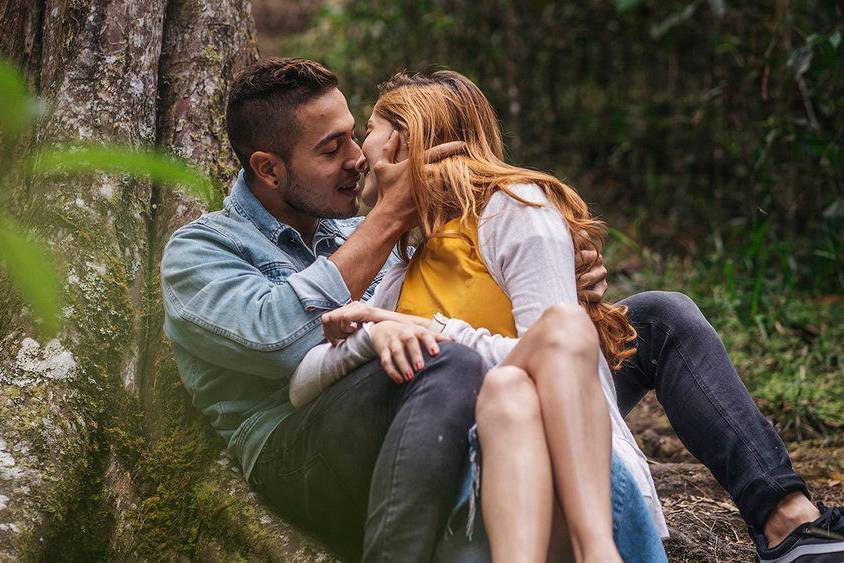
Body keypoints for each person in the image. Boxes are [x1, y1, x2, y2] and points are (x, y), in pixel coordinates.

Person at [160, 57, 844, 562]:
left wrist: (561, 280)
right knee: (452, 364)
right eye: (330, 147)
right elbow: (288, 345)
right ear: (269, 168)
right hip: (309, 439)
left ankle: (786, 517)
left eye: (353, 134)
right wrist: (394, 226)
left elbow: (444, 284)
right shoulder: (203, 251)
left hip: (459, 385)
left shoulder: (355, 225)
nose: (357, 159)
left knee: (658, 317)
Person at [296, 69, 669, 562]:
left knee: (552, 342)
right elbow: (301, 380)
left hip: (570, 472)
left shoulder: (518, 211)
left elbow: (562, 356)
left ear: (403, 141)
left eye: (369, 130)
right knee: (508, 390)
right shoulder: (402, 269)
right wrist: (371, 334)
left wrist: (426, 330)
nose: (360, 154)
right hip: (478, 475)